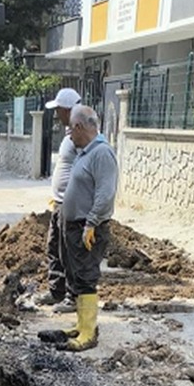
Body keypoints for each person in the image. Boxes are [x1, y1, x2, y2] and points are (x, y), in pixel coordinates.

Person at [56, 103, 118, 352]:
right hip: (74, 224)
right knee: (76, 275)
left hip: (87, 226)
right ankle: (81, 324)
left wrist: (91, 223)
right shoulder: (86, 151)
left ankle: (89, 332)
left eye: (71, 129)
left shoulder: (102, 153)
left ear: (80, 127)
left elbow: (105, 194)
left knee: (86, 277)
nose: (70, 134)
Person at [37, 87, 81, 313]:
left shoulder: (81, 134)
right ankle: (56, 291)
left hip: (70, 203)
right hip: (59, 202)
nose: (56, 115)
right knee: (54, 247)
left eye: (58, 110)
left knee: (69, 251)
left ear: (67, 110)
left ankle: (73, 298)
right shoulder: (68, 134)